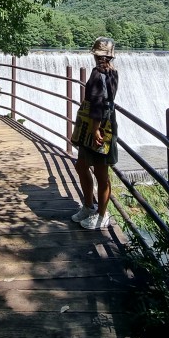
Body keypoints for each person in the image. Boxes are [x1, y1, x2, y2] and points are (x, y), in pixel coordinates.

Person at [72, 37, 119, 230]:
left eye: (104, 56)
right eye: (99, 56)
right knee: (81, 166)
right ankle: (89, 206)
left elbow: (101, 102)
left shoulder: (101, 75)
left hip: (99, 127)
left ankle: (102, 214)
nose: (101, 59)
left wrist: (95, 127)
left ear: (109, 57)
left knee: (101, 172)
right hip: (94, 125)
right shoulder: (110, 73)